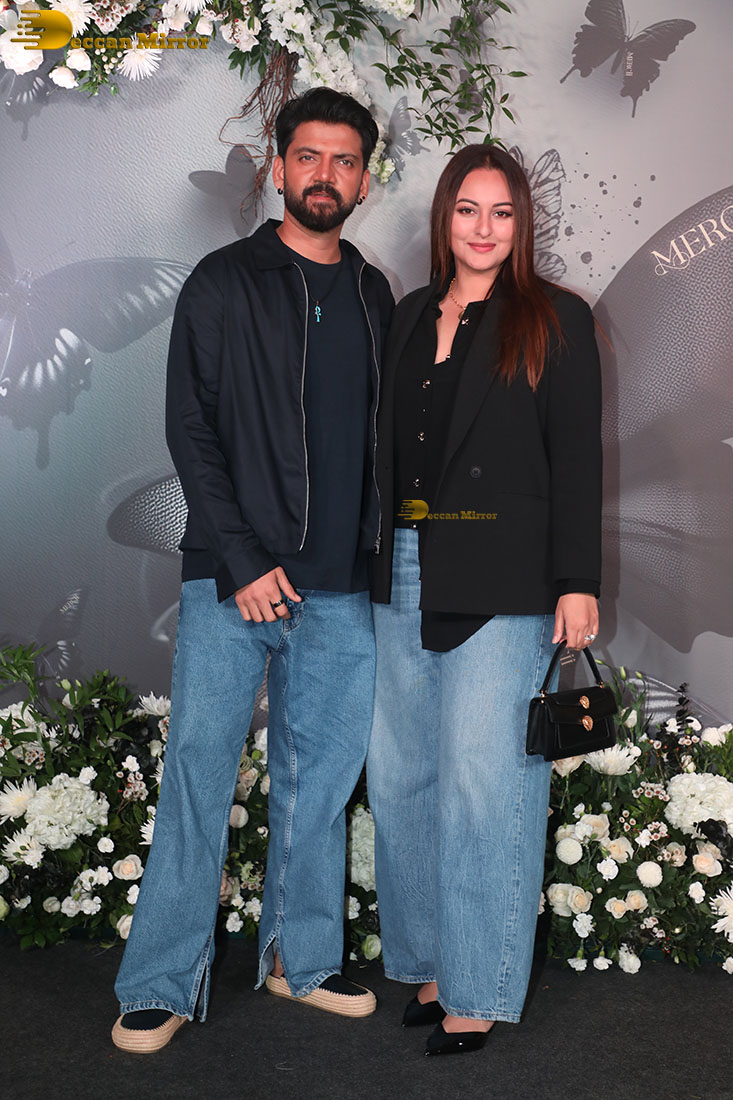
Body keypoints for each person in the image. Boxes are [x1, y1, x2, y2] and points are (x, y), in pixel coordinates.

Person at [111, 87, 394, 1053]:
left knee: (317, 787)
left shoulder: (373, 292)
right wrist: (240, 559)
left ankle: (298, 962)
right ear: (278, 169)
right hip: (233, 580)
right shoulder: (222, 281)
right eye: (308, 156)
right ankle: (158, 982)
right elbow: (189, 427)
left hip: (340, 587)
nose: (325, 174)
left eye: (344, 160)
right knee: (199, 775)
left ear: (364, 179)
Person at [367, 145, 602, 1056]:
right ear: (444, 217)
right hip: (404, 563)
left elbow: (575, 457)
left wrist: (576, 579)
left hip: (503, 576)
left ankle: (478, 984)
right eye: (468, 209)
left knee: (482, 781)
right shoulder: (407, 314)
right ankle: (431, 961)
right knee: (402, 777)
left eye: (501, 213)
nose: (483, 228)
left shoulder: (554, 318)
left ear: (521, 224)